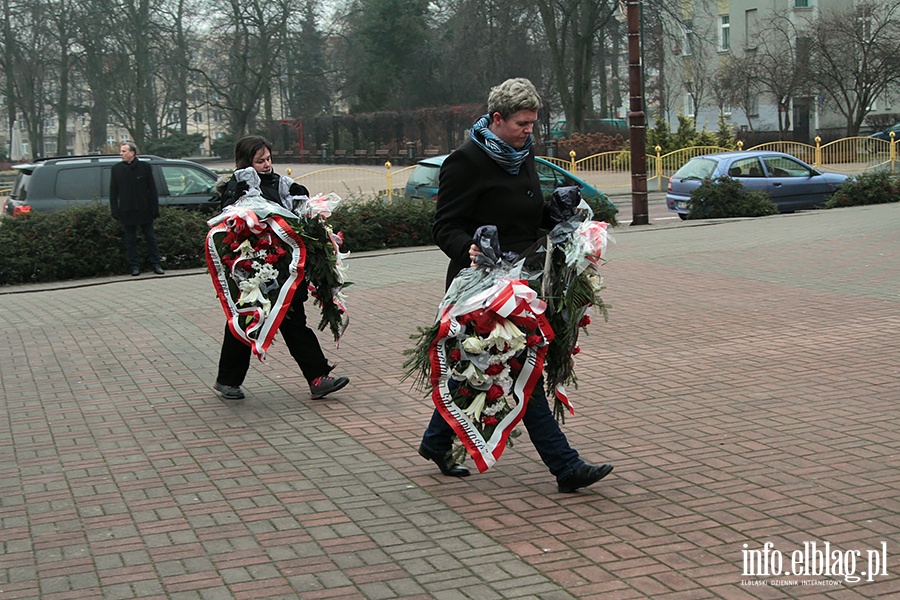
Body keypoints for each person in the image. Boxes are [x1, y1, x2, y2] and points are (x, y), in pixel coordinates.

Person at [417, 78, 614, 493]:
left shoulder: (523, 156)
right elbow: (444, 227)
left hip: (527, 280)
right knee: (517, 369)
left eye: (533, 124)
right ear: (497, 119)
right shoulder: (464, 162)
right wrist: (469, 247)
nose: (529, 131)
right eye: (522, 123)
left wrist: (554, 212)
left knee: (486, 366)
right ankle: (566, 467)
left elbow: (524, 218)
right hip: (484, 287)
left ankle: (436, 441)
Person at [212, 135, 350, 401]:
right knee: (248, 320)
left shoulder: (282, 184)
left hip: (286, 268)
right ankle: (227, 380)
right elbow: (233, 225)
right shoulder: (236, 187)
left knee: (294, 320)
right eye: (259, 160)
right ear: (246, 161)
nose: (266, 165)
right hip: (253, 270)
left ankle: (318, 377)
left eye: (269, 159)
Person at [110, 142, 164, 276]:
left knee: (150, 237)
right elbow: (113, 191)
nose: (120, 154)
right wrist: (115, 210)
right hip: (126, 210)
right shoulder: (117, 169)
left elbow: (152, 189)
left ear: (132, 153)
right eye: (121, 151)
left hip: (144, 210)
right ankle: (134, 266)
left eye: (123, 151)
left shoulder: (144, 167)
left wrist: (154, 208)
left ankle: (156, 264)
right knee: (130, 240)